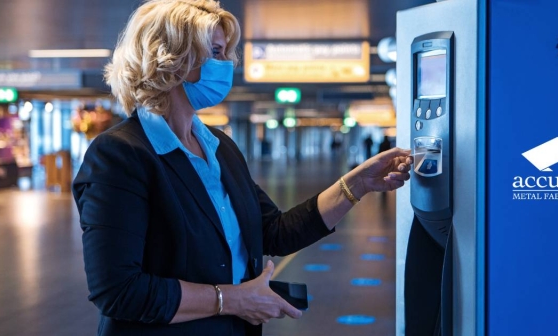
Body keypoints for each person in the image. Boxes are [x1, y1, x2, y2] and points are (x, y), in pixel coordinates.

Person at [72, 1, 412, 335]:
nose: (227, 65)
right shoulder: (120, 155)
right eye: (216, 53)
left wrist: (356, 185)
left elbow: (274, 231)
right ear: (172, 59)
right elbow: (118, 291)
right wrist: (232, 300)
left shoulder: (220, 147)